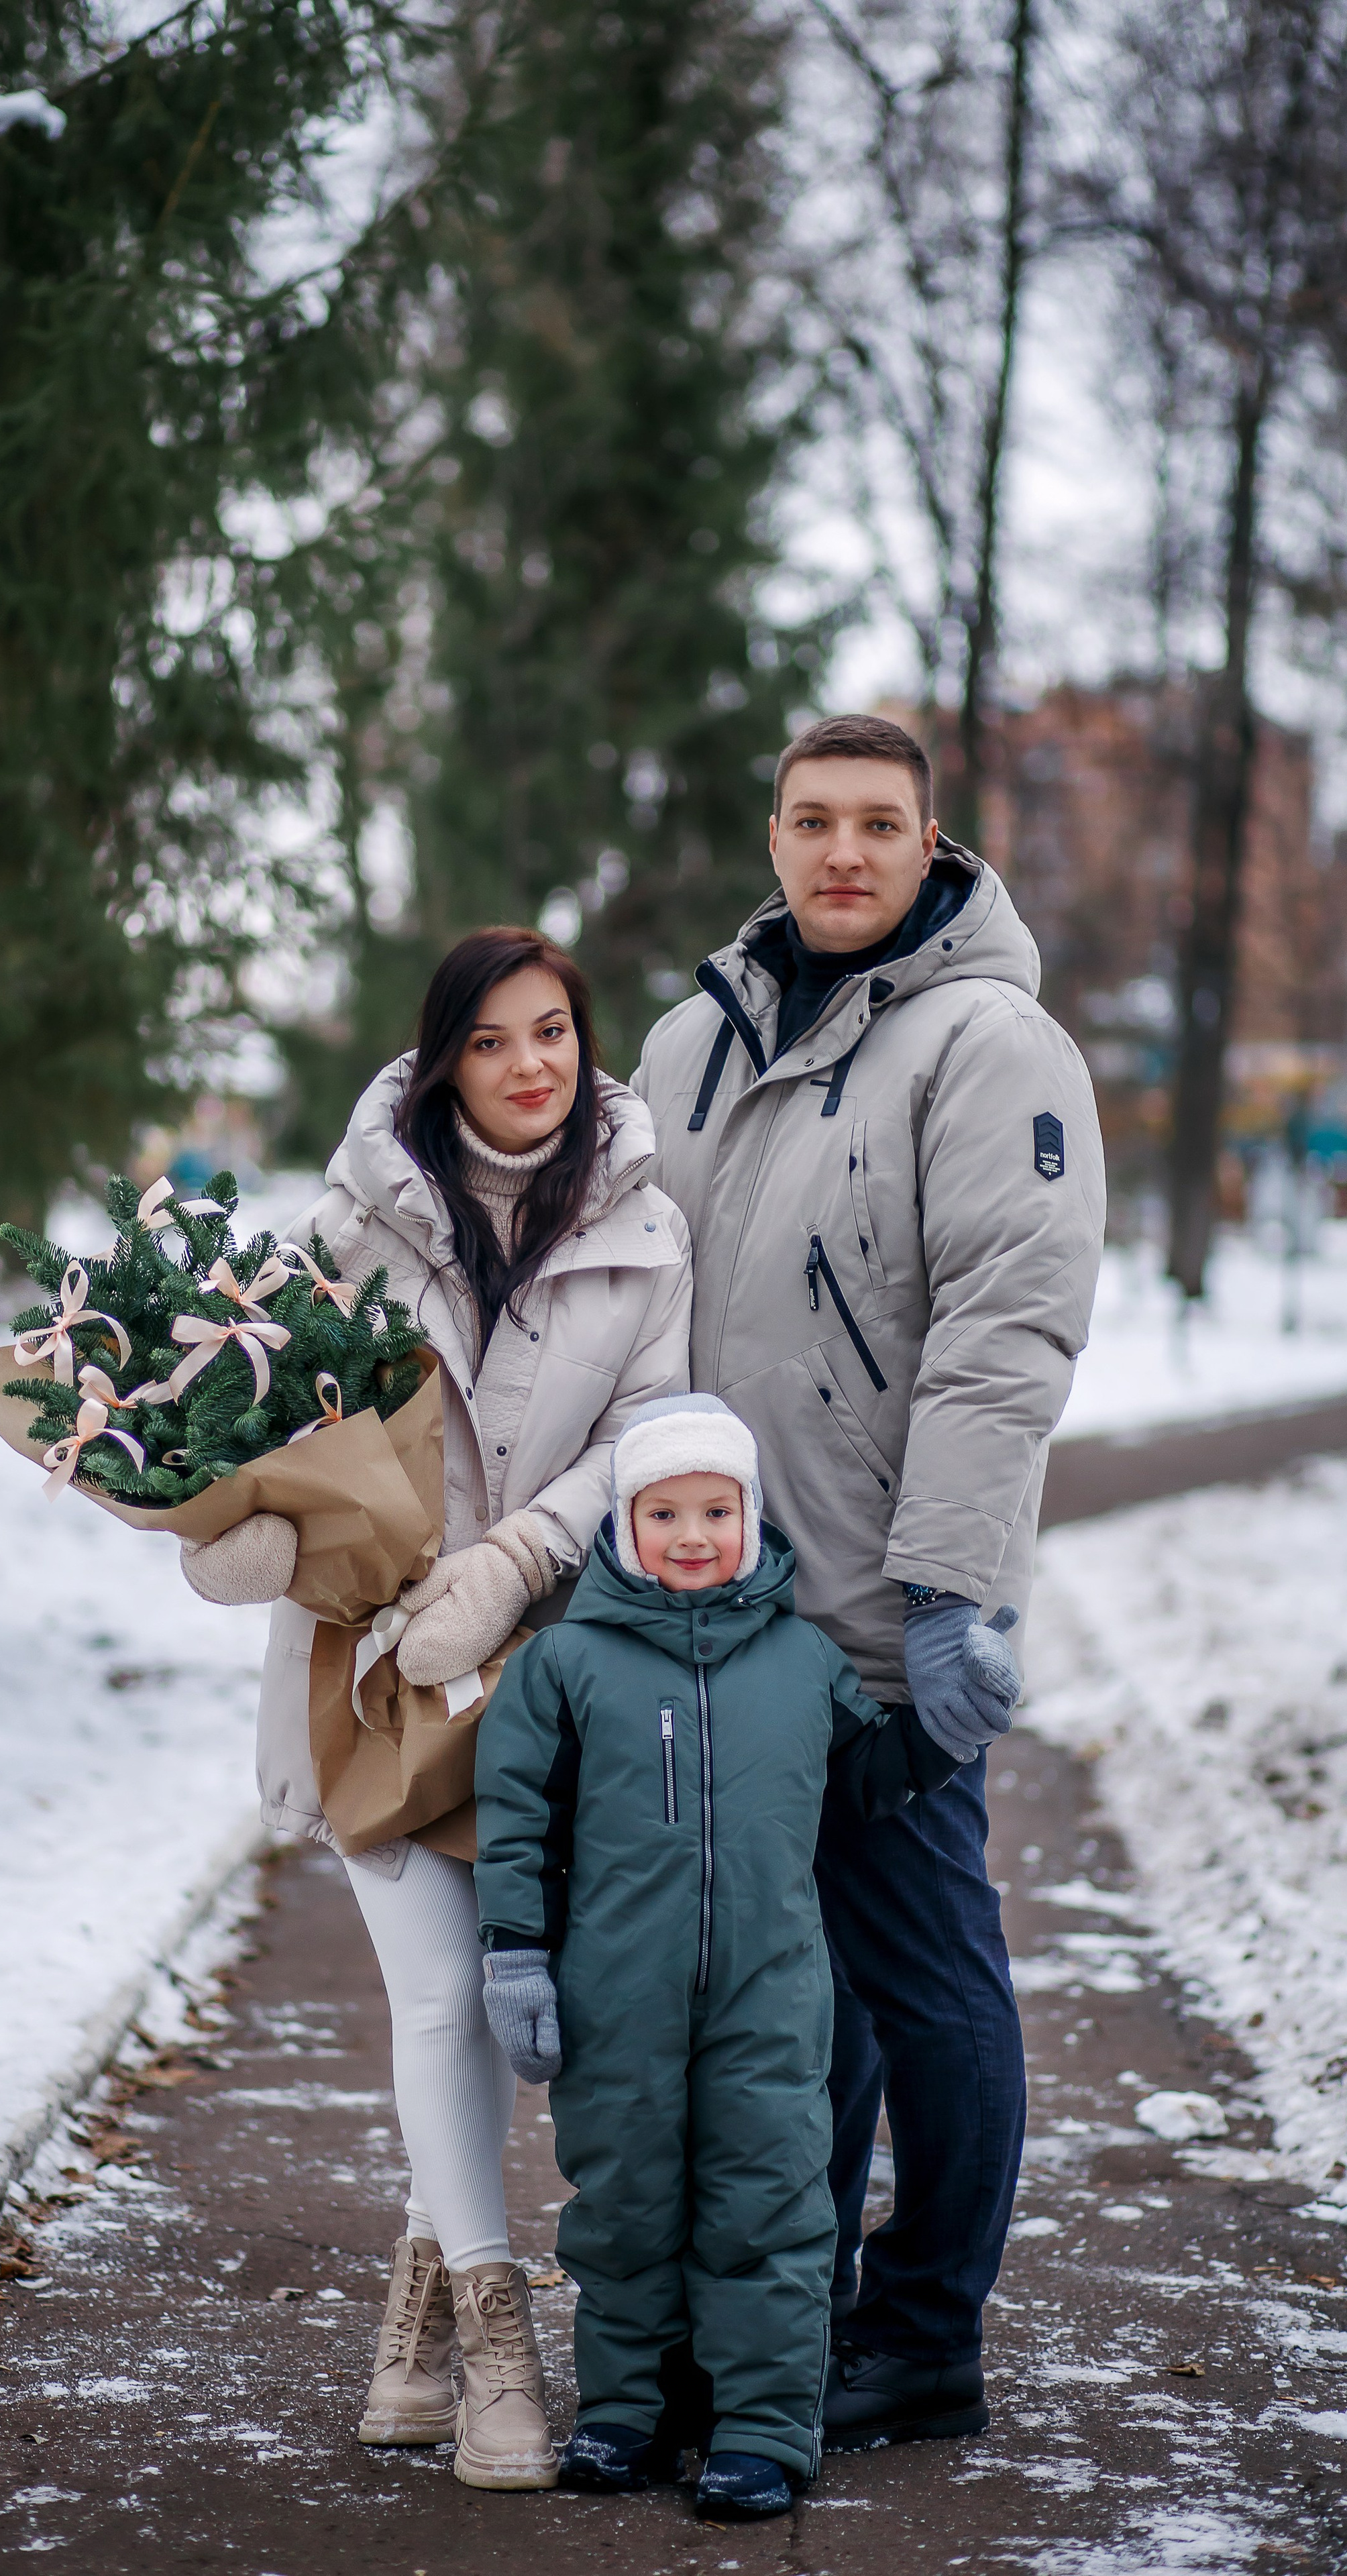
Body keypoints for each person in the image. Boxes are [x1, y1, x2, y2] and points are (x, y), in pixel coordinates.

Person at [631, 712, 1106, 2451]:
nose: (844, 853)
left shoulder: (992, 1045)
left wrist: (953, 1588)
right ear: (772, 839)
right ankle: (787, 2306)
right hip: (709, 1604)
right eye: (814, 822)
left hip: (882, 1611)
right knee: (778, 1979)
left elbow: (1006, 1332)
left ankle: (923, 2334)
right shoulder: (691, 1045)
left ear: (932, 847)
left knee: (920, 1972)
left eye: (879, 826)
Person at [178, 928, 691, 2489]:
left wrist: (521, 1552)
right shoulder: (347, 1227)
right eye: (493, 1040)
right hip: (369, 1669)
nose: (532, 1064)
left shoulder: (648, 1227)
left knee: (502, 2012)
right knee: (440, 2004)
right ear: (440, 1060)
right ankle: (490, 2348)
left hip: (546, 1674)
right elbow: (266, 1419)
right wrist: (240, 1529)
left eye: (554, 1033)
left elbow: (654, 1432)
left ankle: (412, 2316)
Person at [472, 1395, 959, 2522]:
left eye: (716, 1510)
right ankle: (624, 2414)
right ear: (622, 1529)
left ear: (751, 1517)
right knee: (625, 2204)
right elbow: (515, 1819)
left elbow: (868, 1786)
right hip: (616, 1992)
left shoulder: (803, 1660)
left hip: (771, 1991)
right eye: (664, 1513)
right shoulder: (566, 1665)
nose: (692, 1535)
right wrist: (516, 1955)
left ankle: (762, 2432)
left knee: (771, 2201)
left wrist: (943, 1725)